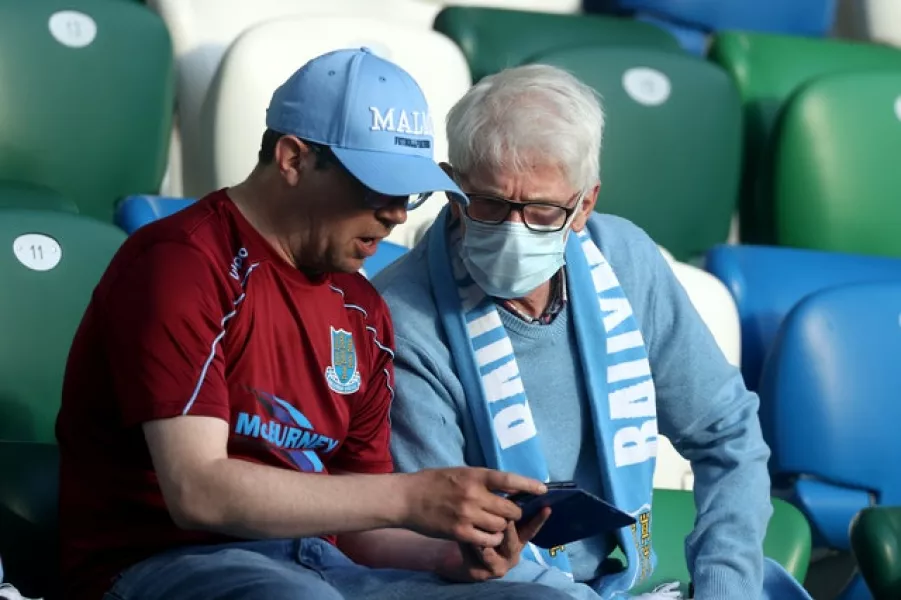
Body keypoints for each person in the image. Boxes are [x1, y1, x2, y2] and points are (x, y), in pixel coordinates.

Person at [55, 48, 574, 600]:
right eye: (376, 185)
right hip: (159, 562)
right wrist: (407, 498)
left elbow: (358, 531)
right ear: (293, 159)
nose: (398, 212)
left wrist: (449, 553)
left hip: (316, 565)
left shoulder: (363, 308)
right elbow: (197, 491)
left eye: (409, 192)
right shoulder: (180, 262)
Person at [371, 64, 814, 600]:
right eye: (489, 204)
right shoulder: (400, 315)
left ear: (584, 205)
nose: (514, 230)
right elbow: (450, 546)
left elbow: (729, 436)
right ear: (452, 190)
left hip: (621, 580)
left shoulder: (625, 258)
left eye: (541, 210)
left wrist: (726, 585)